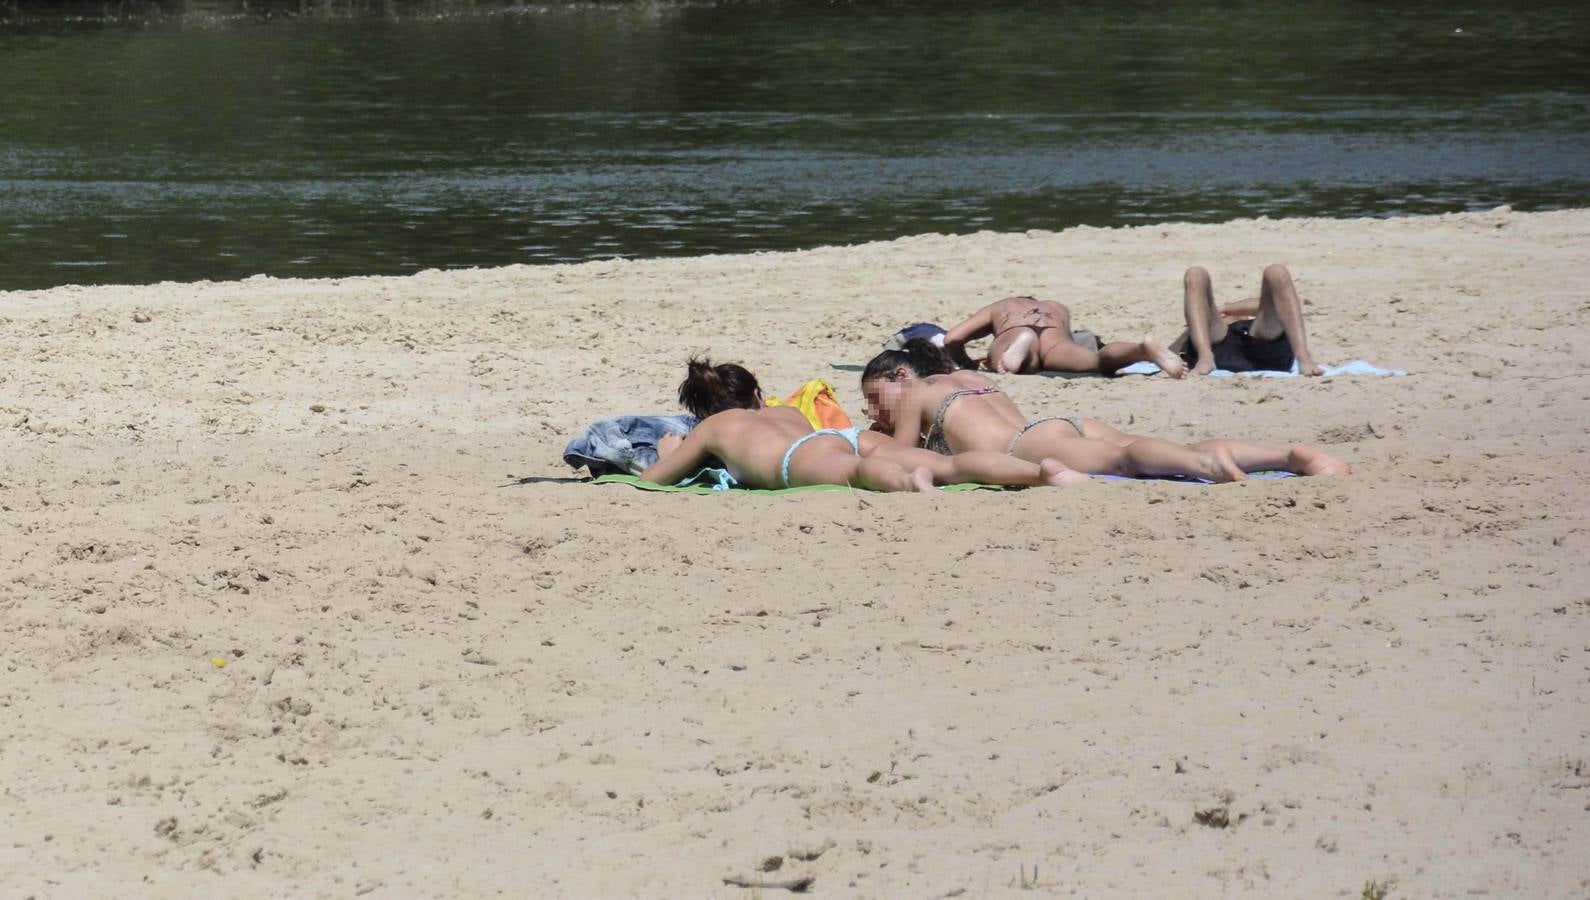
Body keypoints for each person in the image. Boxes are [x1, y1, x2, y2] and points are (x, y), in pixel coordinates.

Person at [859, 340, 1354, 481]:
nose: (874, 409)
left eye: (873, 396)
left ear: (901, 375)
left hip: (1024, 445)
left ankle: (1209, 467)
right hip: (1057, 423)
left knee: (1128, 461)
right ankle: (1290, 456)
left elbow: (903, 456)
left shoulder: (915, 393)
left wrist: (873, 435)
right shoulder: (967, 377)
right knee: (1144, 448)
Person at [640, 358, 1084, 492]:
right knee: (949, 463)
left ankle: (910, 485)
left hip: (802, 457)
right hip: (837, 436)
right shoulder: (787, 412)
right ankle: (1042, 472)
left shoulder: (714, 429)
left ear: (703, 412)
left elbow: (654, 481)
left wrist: (670, 454)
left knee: (853, 473)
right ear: (759, 395)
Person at [941, 296, 1188, 377]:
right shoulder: (1056, 307)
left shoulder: (1003, 306)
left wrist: (965, 364)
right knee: (1098, 362)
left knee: (1010, 365)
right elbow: (1067, 340)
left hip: (1013, 331)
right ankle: (1141, 349)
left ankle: (1022, 347)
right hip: (1054, 337)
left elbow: (953, 338)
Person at [1172, 264, 1323, 376]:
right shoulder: (1199, 327)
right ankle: (1205, 356)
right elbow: (1170, 352)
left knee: (1277, 272)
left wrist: (1226, 308)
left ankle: (1303, 356)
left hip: (1262, 345)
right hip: (1217, 348)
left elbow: (1277, 303)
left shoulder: (1243, 317)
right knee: (1195, 274)